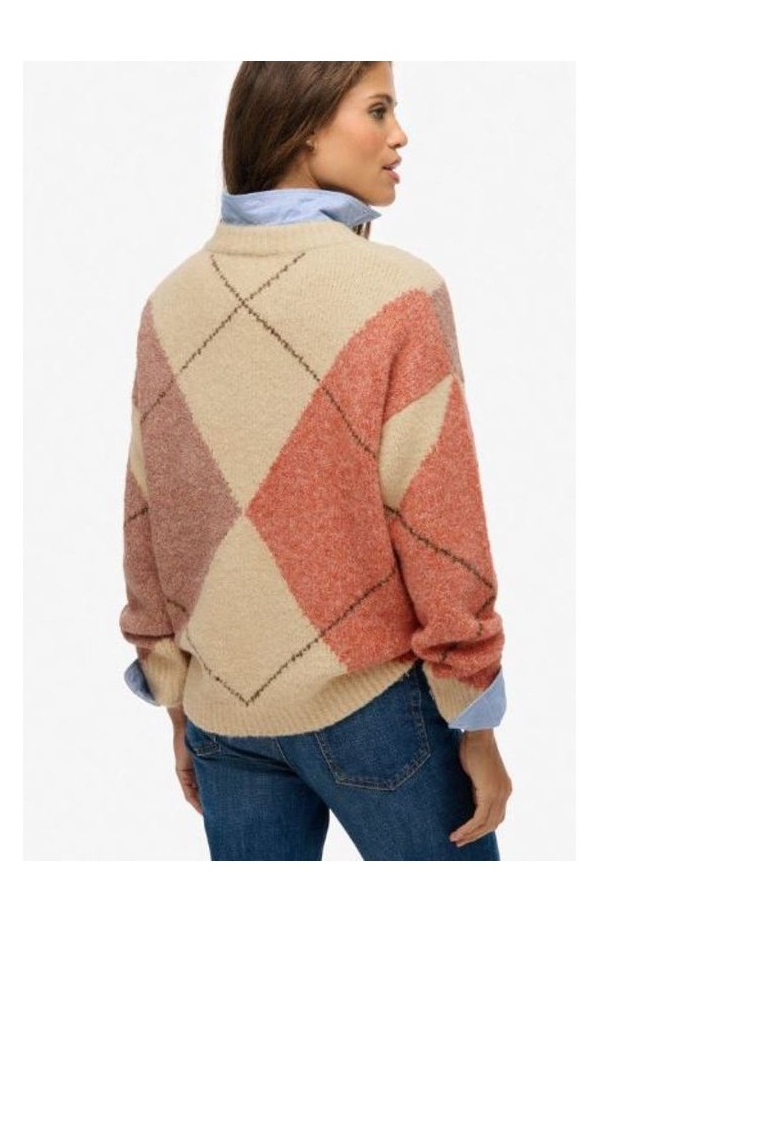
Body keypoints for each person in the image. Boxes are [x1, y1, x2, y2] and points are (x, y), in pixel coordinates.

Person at [119, 61, 513, 860]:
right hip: (375, 711)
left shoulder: (169, 303)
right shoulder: (399, 295)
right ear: (304, 126)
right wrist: (475, 717)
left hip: (223, 718)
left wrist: (176, 701)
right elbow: (440, 525)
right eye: (379, 109)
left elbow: (148, 515)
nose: (400, 135)